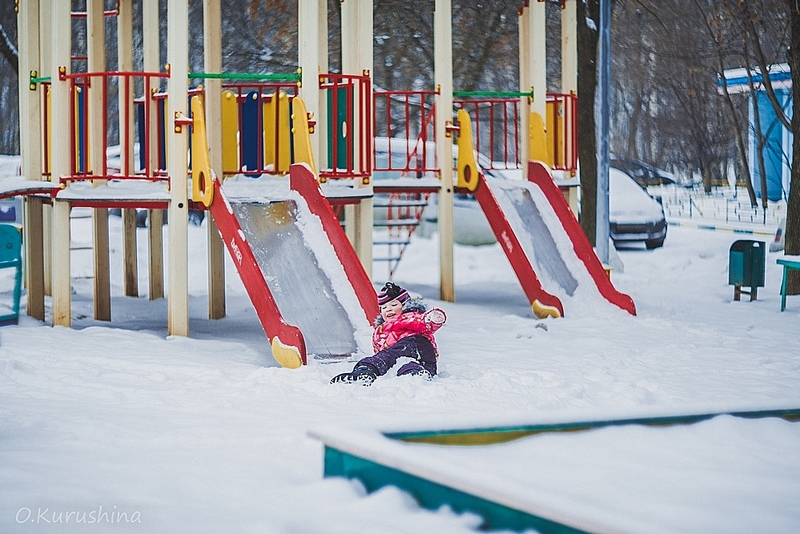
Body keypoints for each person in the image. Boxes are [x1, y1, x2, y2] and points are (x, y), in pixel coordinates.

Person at [331, 282, 446, 385]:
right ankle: (414, 376)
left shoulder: (409, 316)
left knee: (382, 359)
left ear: (405, 306)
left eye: (394, 305)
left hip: (415, 345)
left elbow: (422, 323)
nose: (389, 309)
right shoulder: (381, 331)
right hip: (417, 361)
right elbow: (380, 351)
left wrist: (432, 318)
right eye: (384, 307)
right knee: (404, 366)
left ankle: (366, 369)